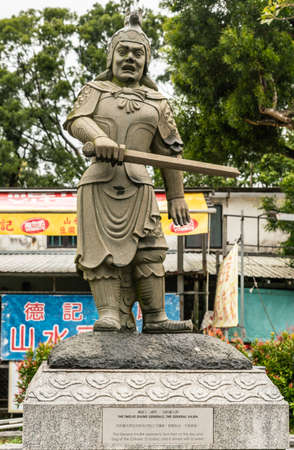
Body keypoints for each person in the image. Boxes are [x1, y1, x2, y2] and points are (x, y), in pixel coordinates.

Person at [64, 11, 193, 333]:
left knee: (151, 250)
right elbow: (77, 120)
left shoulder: (158, 102)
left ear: (146, 61)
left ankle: (155, 316)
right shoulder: (95, 90)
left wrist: (176, 195)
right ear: (112, 55)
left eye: (138, 53)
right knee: (101, 255)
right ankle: (110, 313)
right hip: (100, 184)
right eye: (123, 51)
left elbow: (170, 152)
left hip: (140, 186)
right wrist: (100, 137)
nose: (130, 59)